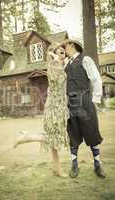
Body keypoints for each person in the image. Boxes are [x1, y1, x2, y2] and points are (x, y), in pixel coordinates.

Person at [14, 43, 69, 177]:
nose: (63, 53)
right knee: (54, 138)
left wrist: (63, 63)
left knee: (54, 140)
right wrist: (57, 61)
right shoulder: (53, 65)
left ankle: (57, 168)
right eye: (60, 51)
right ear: (54, 54)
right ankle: (28, 137)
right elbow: (56, 80)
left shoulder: (61, 65)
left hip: (60, 105)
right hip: (54, 106)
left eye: (63, 51)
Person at [61, 39, 106, 178]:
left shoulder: (85, 60)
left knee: (91, 131)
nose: (64, 48)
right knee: (73, 133)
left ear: (72, 45)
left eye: (65, 46)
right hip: (71, 103)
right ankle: (74, 165)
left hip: (85, 100)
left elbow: (96, 79)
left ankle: (97, 165)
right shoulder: (66, 65)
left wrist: (95, 99)